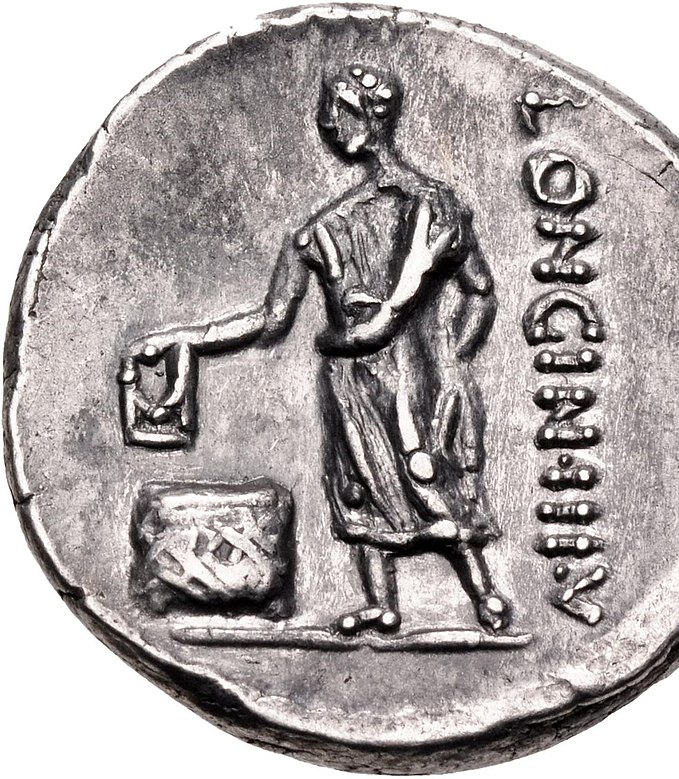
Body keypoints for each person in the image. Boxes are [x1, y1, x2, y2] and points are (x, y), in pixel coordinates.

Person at [126, 65, 512, 635]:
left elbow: (479, 291)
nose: (330, 124)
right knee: (359, 484)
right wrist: (188, 340)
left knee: (429, 475)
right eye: (328, 114)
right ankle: (381, 603)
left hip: (413, 372)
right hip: (350, 380)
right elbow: (270, 320)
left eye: (340, 111)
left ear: (372, 117)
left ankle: (485, 594)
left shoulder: (434, 208)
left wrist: (451, 359)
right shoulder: (321, 229)